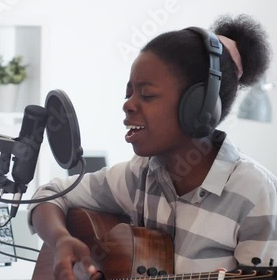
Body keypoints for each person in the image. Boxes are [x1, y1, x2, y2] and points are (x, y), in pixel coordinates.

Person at [28, 14, 277, 280]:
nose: (128, 104)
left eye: (146, 95)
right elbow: (50, 194)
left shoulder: (255, 194)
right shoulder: (140, 175)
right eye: (129, 93)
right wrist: (60, 239)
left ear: (198, 108)